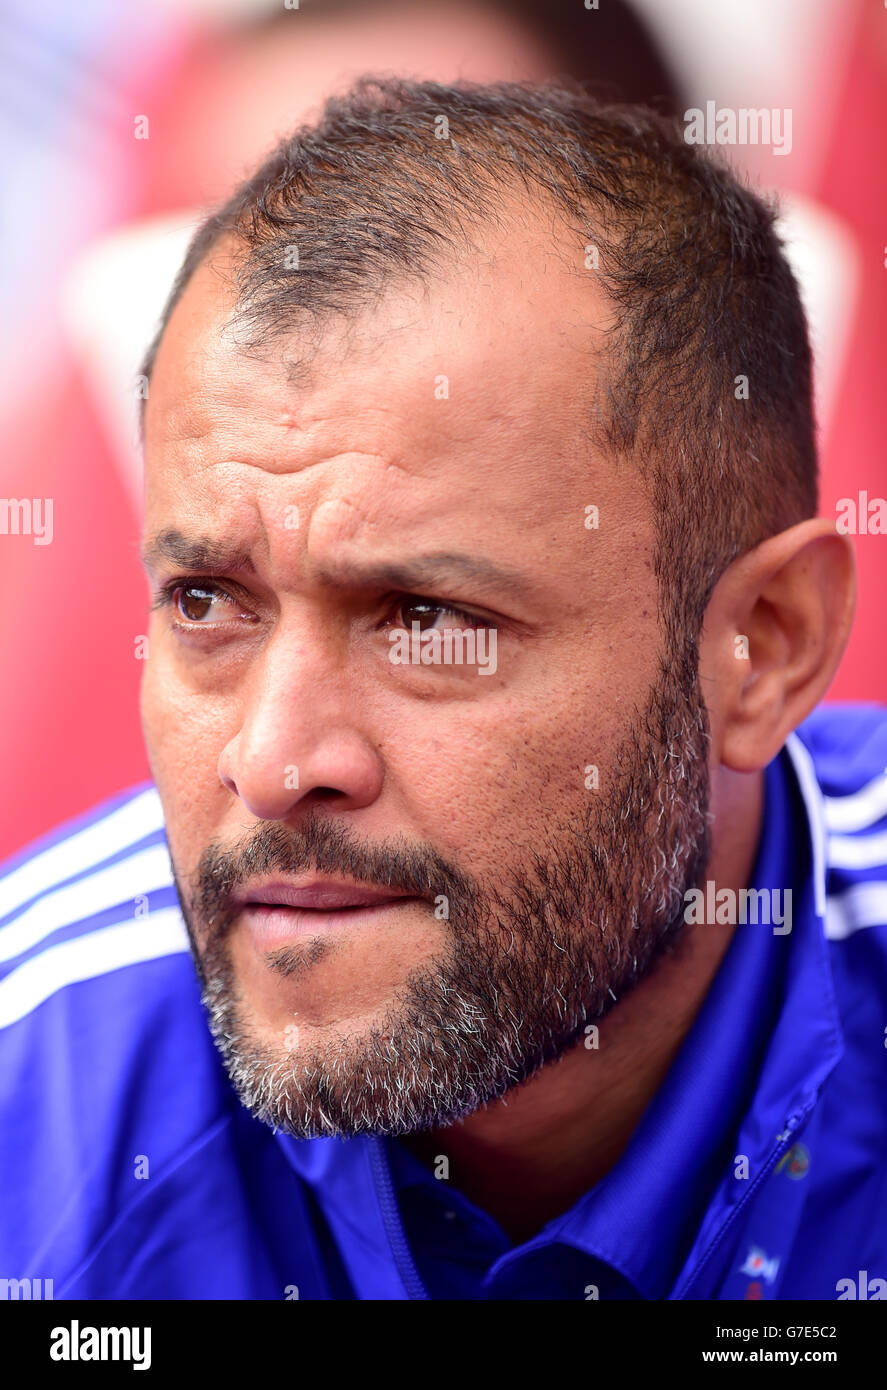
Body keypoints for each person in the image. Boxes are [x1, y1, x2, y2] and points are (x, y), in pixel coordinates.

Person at [1, 77, 885, 1302]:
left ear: (765, 647)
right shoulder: (30, 1105)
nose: (270, 760)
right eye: (206, 601)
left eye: (426, 619)